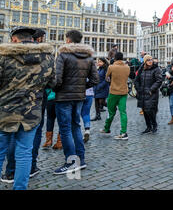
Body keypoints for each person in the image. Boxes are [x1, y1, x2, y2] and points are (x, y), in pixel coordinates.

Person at [0, 27, 56, 190]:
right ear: (32, 39)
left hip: (5, 111)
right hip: (31, 113)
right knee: (24, 153)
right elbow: (53, 83)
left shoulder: (4, 56)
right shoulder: (47, 57)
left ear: (15, 40)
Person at [53, 30, 99, 175]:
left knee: (65, 129)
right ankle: (81, 159)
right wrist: (81, 87)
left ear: (67, 40)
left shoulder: (63, 56)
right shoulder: (89, 57)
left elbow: (57, 80)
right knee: (76, 126)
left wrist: (54, 88)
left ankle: (71, 162)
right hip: (79, 96)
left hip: (64, 97)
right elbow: (95, 80)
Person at [101, 52, 131, 140]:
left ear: (115, 58)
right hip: (124, 92)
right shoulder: (127, 67)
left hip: (114, 92)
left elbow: (106, 78)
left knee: (111, 112)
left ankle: (107, 128)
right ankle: (123, 132)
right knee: (123, 112)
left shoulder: (111, 67)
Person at [135, 55, 163, 134]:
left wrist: (151, 89)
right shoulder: (141, 69)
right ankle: (148, 127)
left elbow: (159, 80)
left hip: (151, 93)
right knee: (144, 110)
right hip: (142, 93)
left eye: (151, 59)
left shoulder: (156, 69)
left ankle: (154, 126)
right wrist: (138, 89)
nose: (150, 61)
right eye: (148, 60)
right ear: (145, 62)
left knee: (150, 110)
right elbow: (136, 80)